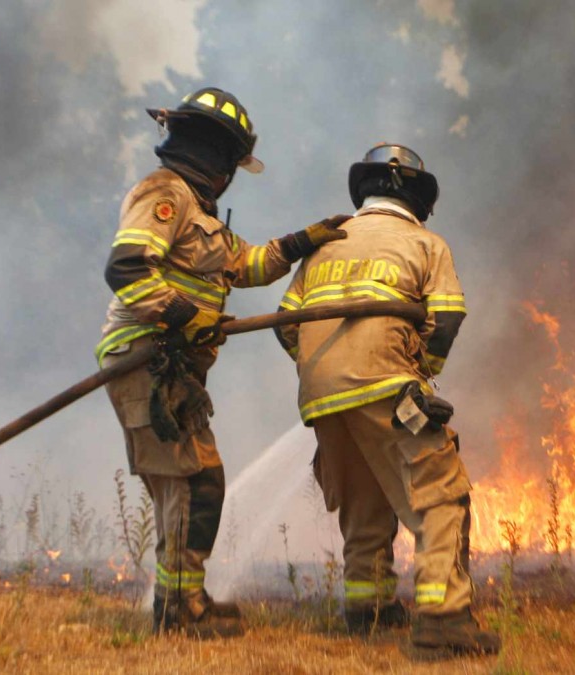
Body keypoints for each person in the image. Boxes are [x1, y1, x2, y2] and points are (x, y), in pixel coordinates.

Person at [98, 87, 349, 637]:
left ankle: (181, 600)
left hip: (172, 365)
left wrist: (302, 241)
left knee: (186, 485)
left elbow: (249, 264)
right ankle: (180, 611)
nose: (231, 174)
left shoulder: (199, 212)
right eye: (232, 162)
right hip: (147, 360)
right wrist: (180, 315)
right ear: (216, 155)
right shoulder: (164, 194)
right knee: (196, 483)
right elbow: (128, 268)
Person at [274, 143, 499, 656]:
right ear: (418, 199)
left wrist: (324, 371)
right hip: (388, 384)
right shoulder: (425, 243)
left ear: (364, 192)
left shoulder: (324, 247)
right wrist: (423, 376)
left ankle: (367, 610)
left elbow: (287, 326)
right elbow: (446, 321)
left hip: (321, 397)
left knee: (365, 502)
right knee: (440, 495)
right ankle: (442, 621)